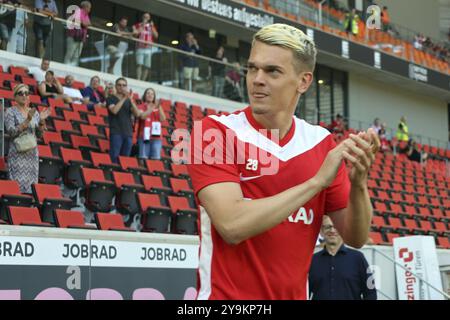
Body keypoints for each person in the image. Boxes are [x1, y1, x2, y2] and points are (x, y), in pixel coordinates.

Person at [186, 23, 380, 300]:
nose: (257, 79)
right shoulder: (214, 132)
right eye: (253, 68)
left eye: (272, 71)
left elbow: (355, 237)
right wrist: (315, 183)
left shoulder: (320, 143)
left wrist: (359, 185)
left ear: (303, 81)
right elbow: (232, 225)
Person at [309, 216, 377, 300]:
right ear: (322, 232)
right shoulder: (313, 260)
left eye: (336, 227)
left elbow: (370, 291)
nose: (332, 230)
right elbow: (305, 292)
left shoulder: (358, 258)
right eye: (328, 227)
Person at [4, 84, 50, 193]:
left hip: (32, 155)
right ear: (15, 97)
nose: (24, 95)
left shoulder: (34, 113)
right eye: (21, 93)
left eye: (26, 93)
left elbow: (39, 135)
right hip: (17, 155)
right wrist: (27, 120)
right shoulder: (10, 112)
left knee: (30, 191)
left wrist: (42, 121)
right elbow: (11, 132)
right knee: (16, 190)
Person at [106, 77, 143, 163]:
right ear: (115, 86)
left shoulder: (128, 100)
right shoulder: (110, 98)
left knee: (125, 160)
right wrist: (124, 98)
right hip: (116, 132)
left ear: (126, 87)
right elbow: (114, 110)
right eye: (119, 85)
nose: (121, 87)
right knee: (114, 158)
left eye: (124, 85)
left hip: (128, 133)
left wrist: (130, 100)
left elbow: (137, 114)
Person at [136, 88, 166, 160]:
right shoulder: (140, 106)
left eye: (152, 94)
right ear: (145, 95)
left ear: (154, 97)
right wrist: (151, 108)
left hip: (156, 138)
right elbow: (142, 116)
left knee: (155, 160)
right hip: (143, 136)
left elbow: (163, 119)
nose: (150, 95)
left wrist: (158, 107)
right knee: (143, 158)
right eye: (148, 93)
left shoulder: (158, 107)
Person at [64, 0, 91, 66]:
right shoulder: (78, 11)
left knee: (77, 55)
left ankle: (73, 68)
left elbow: (89, 23)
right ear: (85, 7)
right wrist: (83, 23)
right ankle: (65, 67)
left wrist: (83, 23)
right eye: (89, 8)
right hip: (73, 36)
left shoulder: (86, 15)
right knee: (70, 53)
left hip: (81, 38)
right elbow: (76, 20)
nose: (90, 9)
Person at [133, 12, 158, 81]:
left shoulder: (151, 26)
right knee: (139, 64)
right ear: (142, 17)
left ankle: (143, 80)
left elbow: (156, 36)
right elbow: (135, 34)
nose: (146, 18)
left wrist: (152, 26)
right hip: (139, 47)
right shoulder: (138, 25)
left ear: (149, 18)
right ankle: (138, 79)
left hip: (148, 48)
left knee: (147, 66)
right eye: (144, 17)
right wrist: (143, 25)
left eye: (147, 17)